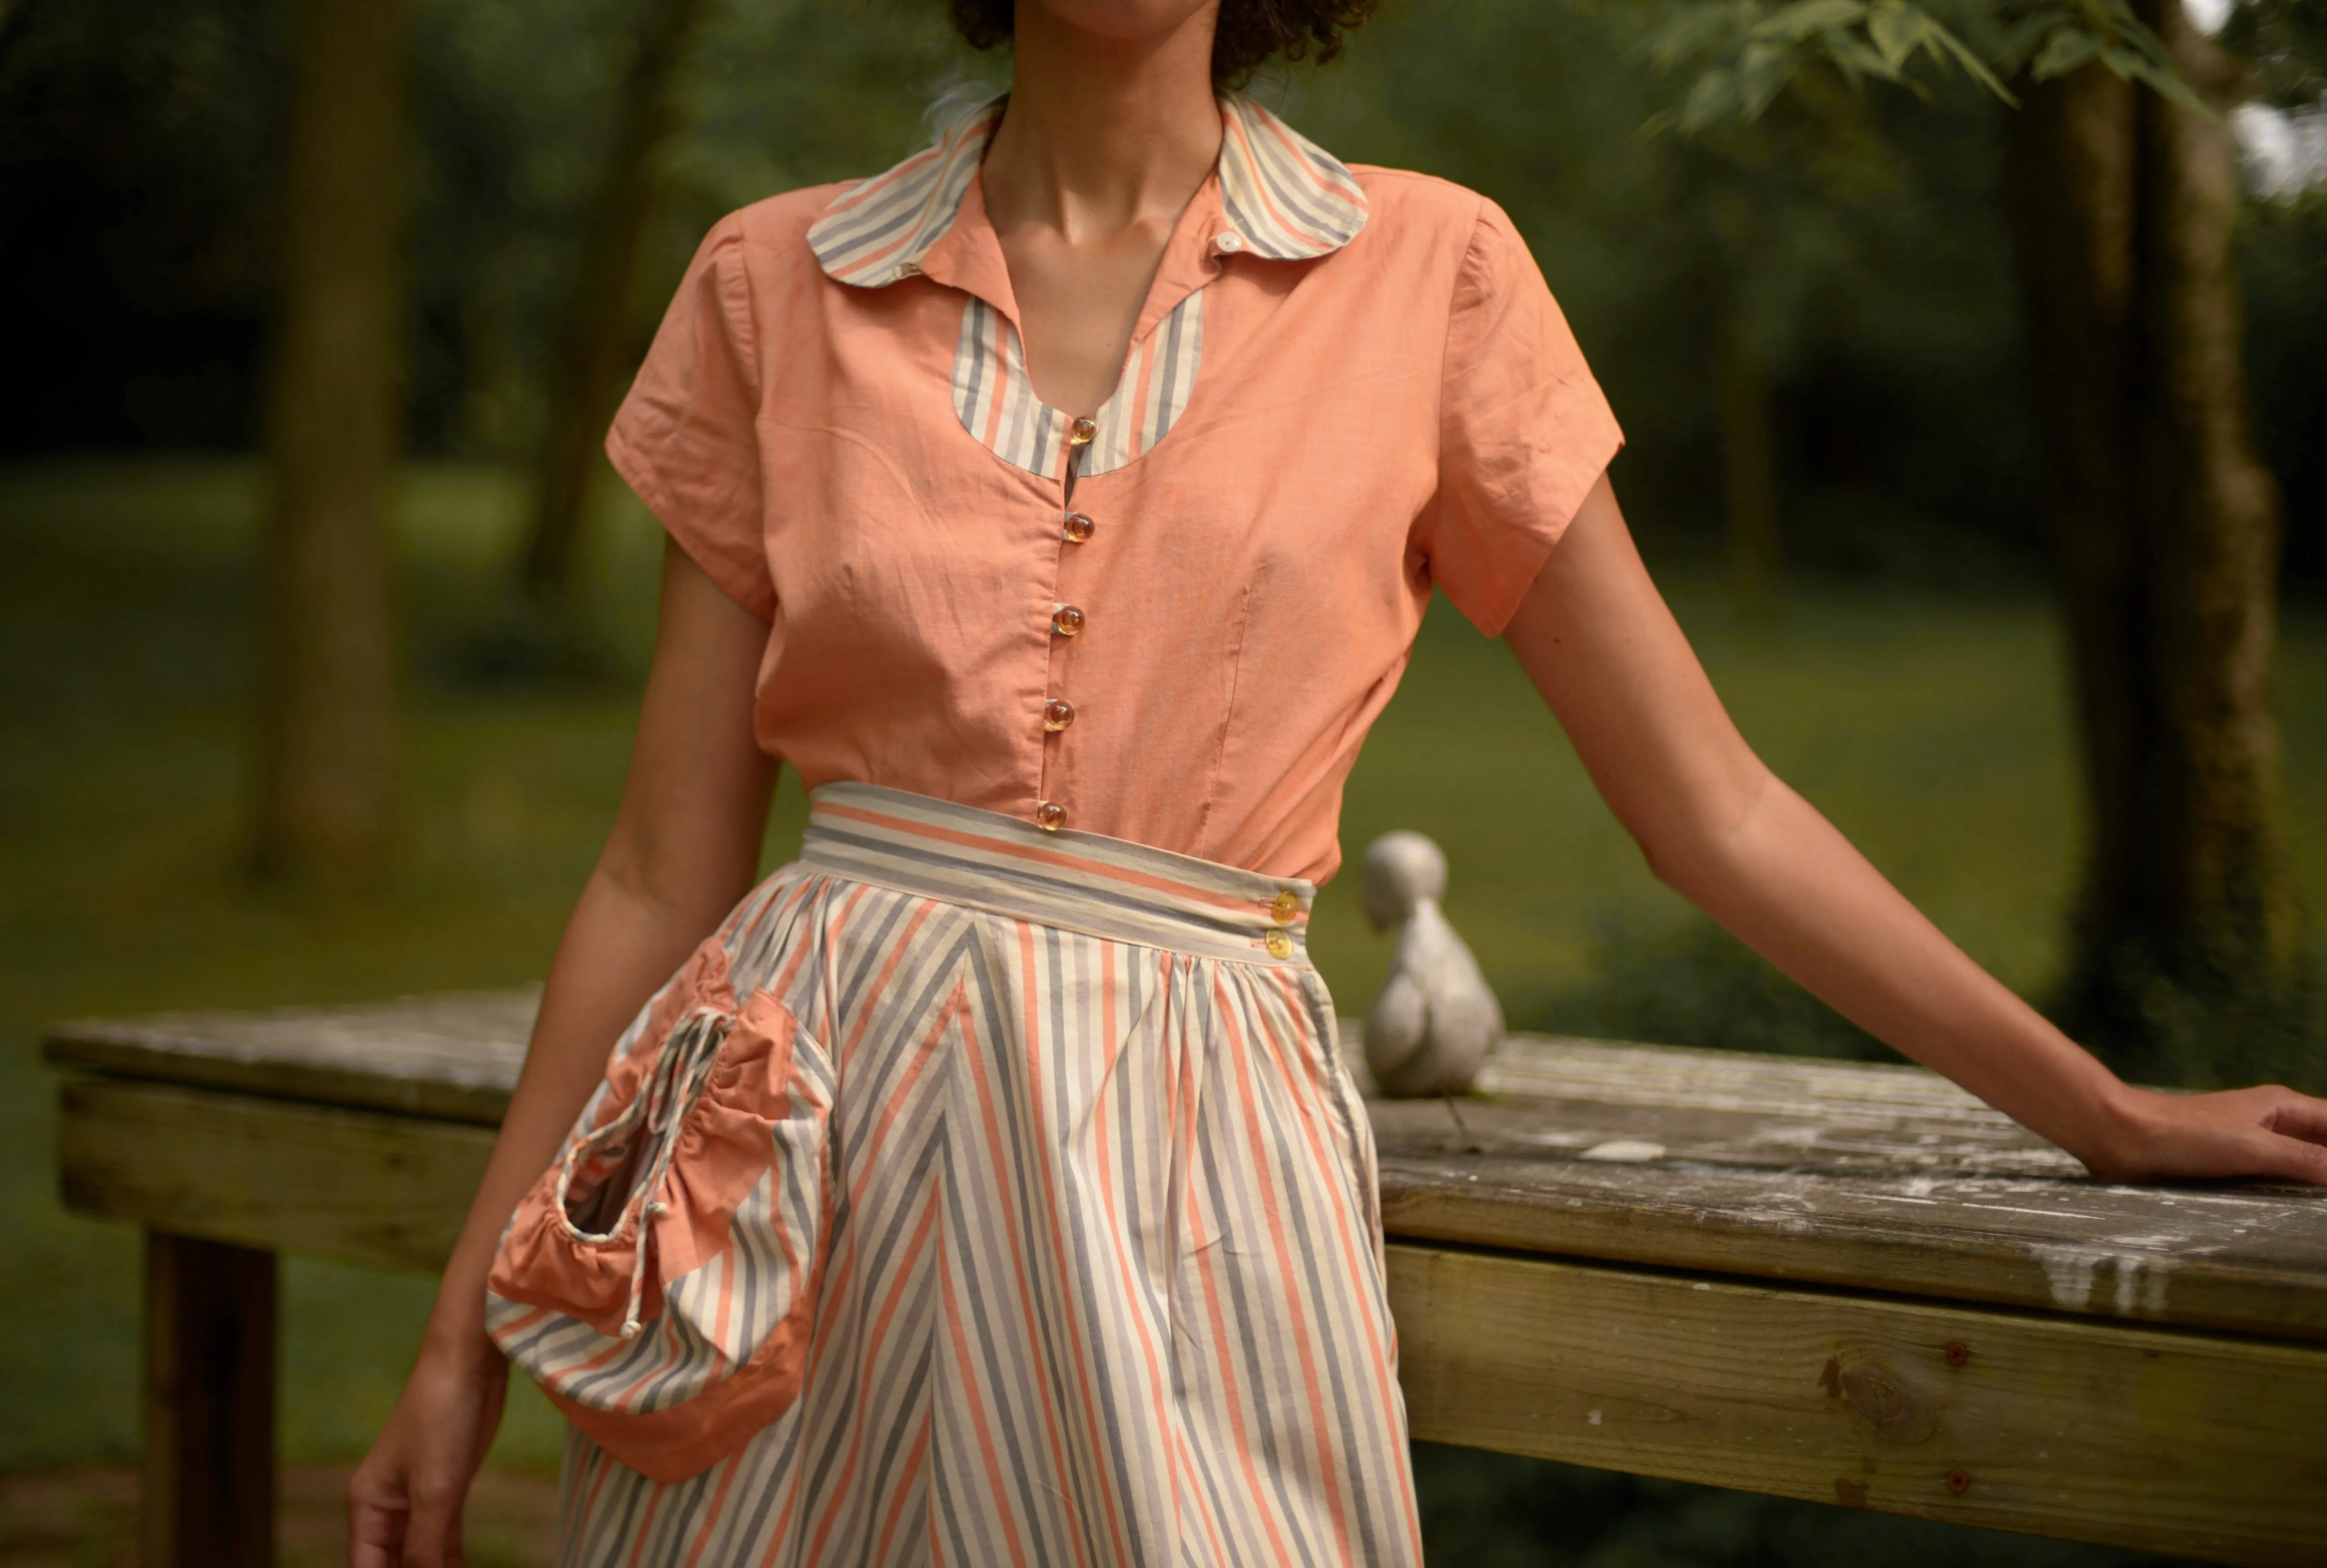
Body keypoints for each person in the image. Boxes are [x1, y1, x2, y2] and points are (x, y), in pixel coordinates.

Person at [351, 0, 2327, 1562]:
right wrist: (463, 1335)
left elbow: (1706, 804)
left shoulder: (1435, 277)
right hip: (792, 1166)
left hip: (1188, 1155)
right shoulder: (770, 281)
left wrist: (2100, 1109)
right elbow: (657, 866)